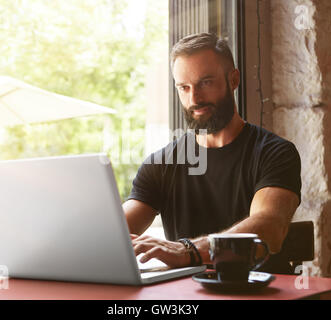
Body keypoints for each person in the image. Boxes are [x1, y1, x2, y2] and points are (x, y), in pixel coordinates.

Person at [123, 33, 301, 274]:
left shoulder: (274, 153)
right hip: (188, 299)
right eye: (184, 88)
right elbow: (117, 231)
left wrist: (188, 251)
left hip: (259, 294)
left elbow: (269, 228)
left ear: (234, 79)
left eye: (205, 82)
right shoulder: (161, 164)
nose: (194, 98)